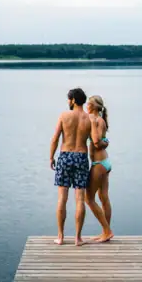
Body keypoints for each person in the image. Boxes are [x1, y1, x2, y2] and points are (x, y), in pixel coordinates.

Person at [49, 88, 95, 246]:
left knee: (62, 198)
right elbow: (95, 142)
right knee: (80, 199)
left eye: (69, 99)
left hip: (65, 156)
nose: (68, 102)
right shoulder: (90, 119)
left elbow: (55, 138)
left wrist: (51, 157)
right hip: (81, 157)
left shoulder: (64, 116)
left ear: (74, 100)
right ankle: (77, 238)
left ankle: (60, 237)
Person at [85, 95, 114, 243]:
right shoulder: (101, 120)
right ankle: (105, 232)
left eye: (88, 104)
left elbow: (96, 142)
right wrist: (105, 142)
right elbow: (101, 141)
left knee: (88, 199)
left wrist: (90, 121)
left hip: (98, 164)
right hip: (105, 162)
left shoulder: (94, 119)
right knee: (103, 197)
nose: (86, 106)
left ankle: (107, 231)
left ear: (94, 106)